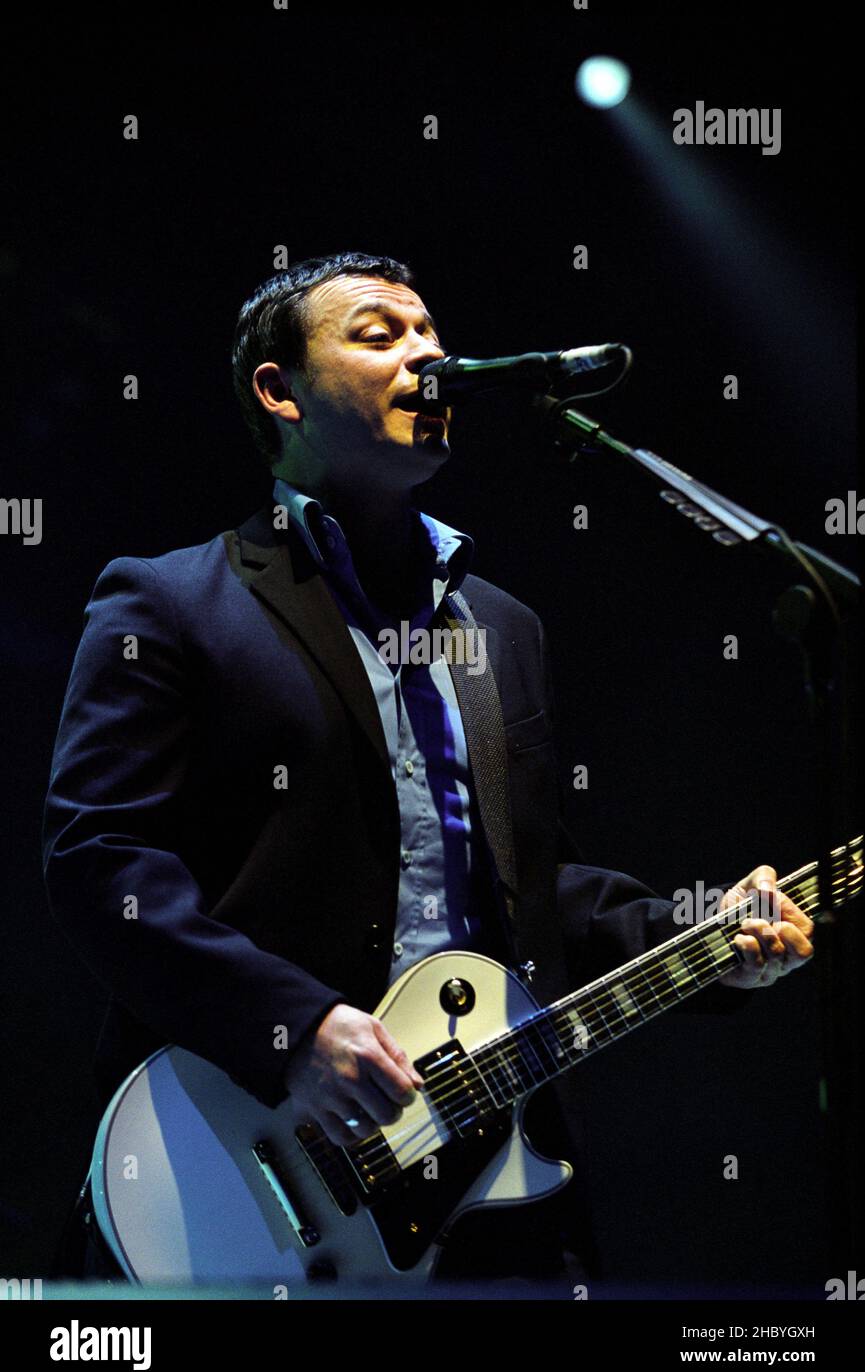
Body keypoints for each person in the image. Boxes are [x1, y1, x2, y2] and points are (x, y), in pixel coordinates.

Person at [42, 251, 814, 1290]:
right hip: (246, 1155)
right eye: (380, 335)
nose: (429, 356)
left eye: (433, 337)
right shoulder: (171, 603)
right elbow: (103, 862)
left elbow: (531, 894)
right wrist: (295, 1027)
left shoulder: (502, 626)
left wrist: (704, 934)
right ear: (279, 393)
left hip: (490, 1183)